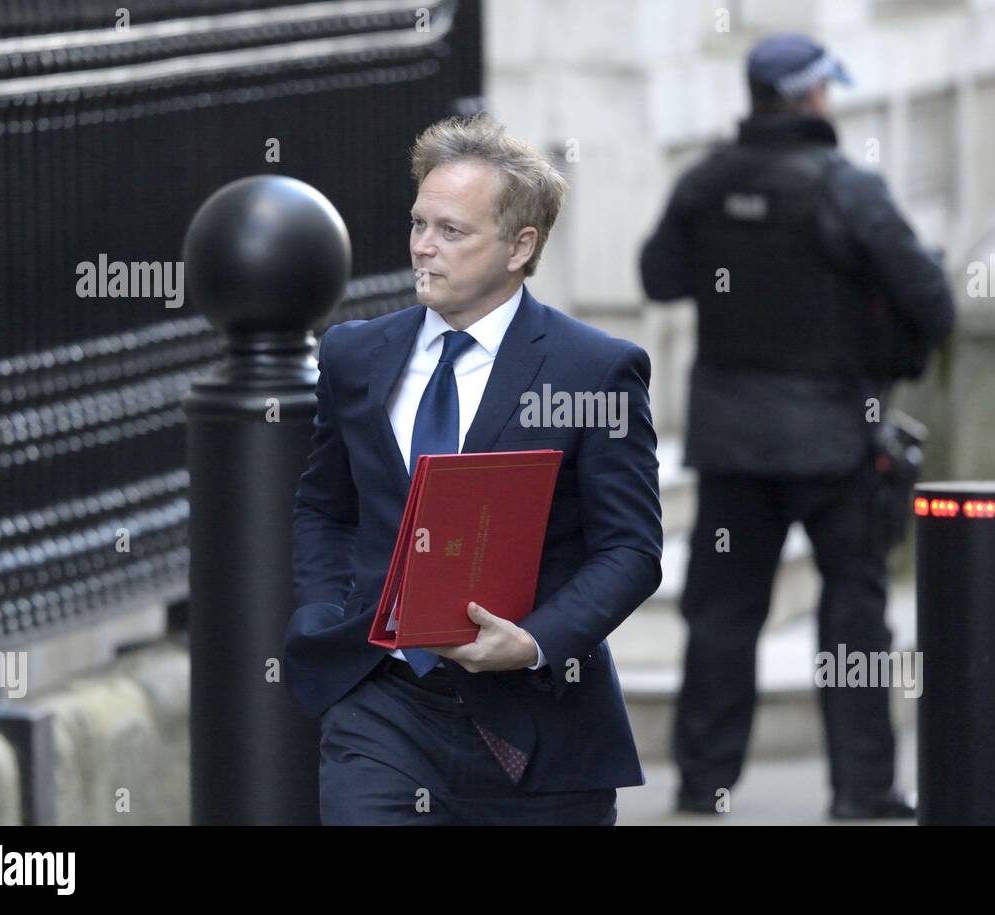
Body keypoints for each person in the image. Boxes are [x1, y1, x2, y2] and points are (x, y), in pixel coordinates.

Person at [284, 114, 663, 825]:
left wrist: (535, 641)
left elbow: (632, 551)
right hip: (381, 708)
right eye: (418, 223)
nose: (424, 248)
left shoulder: (593, 368)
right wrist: (322, 614)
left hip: (538, 730)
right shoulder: (352, 354)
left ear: (521, 245)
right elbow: (325, 509)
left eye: (452, 231)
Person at [639, 33, 954, 819]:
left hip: (732, 444)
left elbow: (660, 275)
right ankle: (862, 789)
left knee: (721, 616)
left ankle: (701, 783)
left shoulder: (705, 182)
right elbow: (933, 301)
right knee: (853, 615)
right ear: (813, 95)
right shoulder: (847, 188)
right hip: (836, 444)